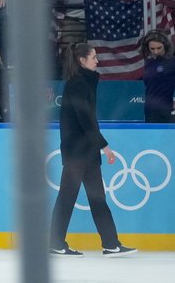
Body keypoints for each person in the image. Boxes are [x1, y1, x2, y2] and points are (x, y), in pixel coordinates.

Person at [49, 41, 137, 257]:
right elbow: (85, 119)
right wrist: (105, 146)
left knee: (97, 198)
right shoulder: (78, 83)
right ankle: (56, 242)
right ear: (82, 60)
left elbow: (88, 120)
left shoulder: (85, 81)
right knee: (68, 196)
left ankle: (110, 243)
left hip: (85, 152)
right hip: (78, 152)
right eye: (94, 57)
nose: (98, 61)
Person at [141, 30, 174, 123]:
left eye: (159, 48)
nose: (156, 51)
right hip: (150, 110)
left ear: (166, 46)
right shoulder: (149, 63)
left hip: (166, 111)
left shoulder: (172, 62)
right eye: (152, 49)